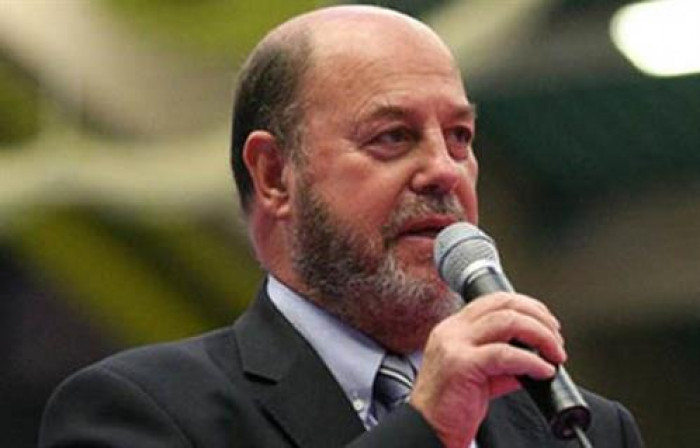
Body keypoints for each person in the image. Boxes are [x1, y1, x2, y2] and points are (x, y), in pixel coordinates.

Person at [39, 5, 643, 448]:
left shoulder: (584, 430)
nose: (444, 169)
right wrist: (424, 429)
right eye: (393, 136)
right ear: (275, 175)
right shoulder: (143, 410)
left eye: (460, 136)